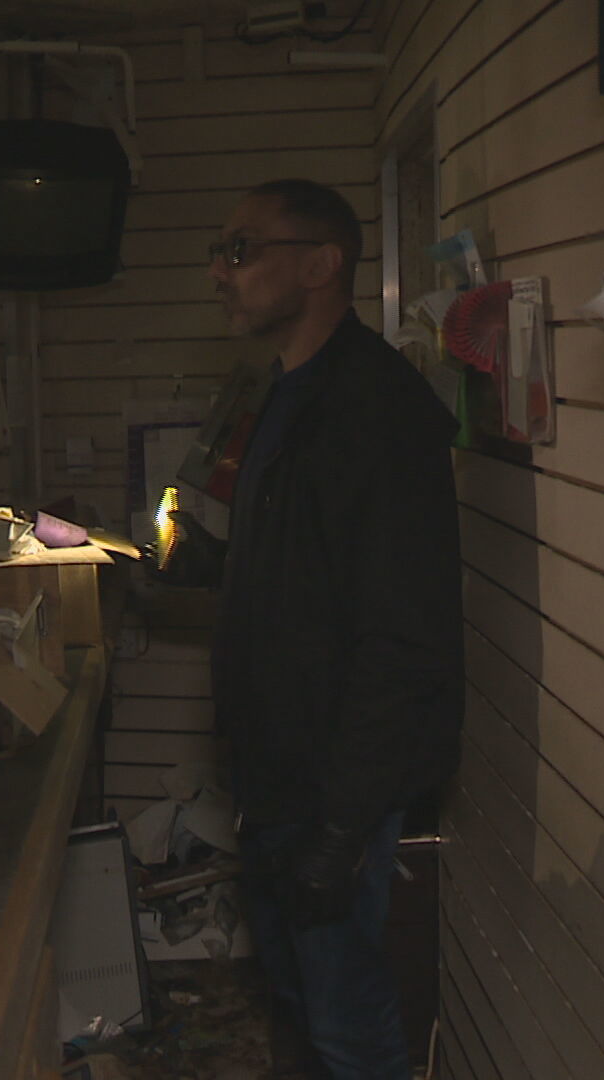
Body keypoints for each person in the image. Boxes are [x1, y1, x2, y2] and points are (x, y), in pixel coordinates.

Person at [153, 179, 464, 1079]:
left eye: (242, 250)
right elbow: (314, 568)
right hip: (282, 777)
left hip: (337, 790)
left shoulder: (374, 410)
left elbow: (402, 633)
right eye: (220, 251)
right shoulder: (288, 390)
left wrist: (343, 828)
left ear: (324, 264)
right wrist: (216, 567)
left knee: (346, 1024)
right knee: (298, 1002)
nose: (220, 271)